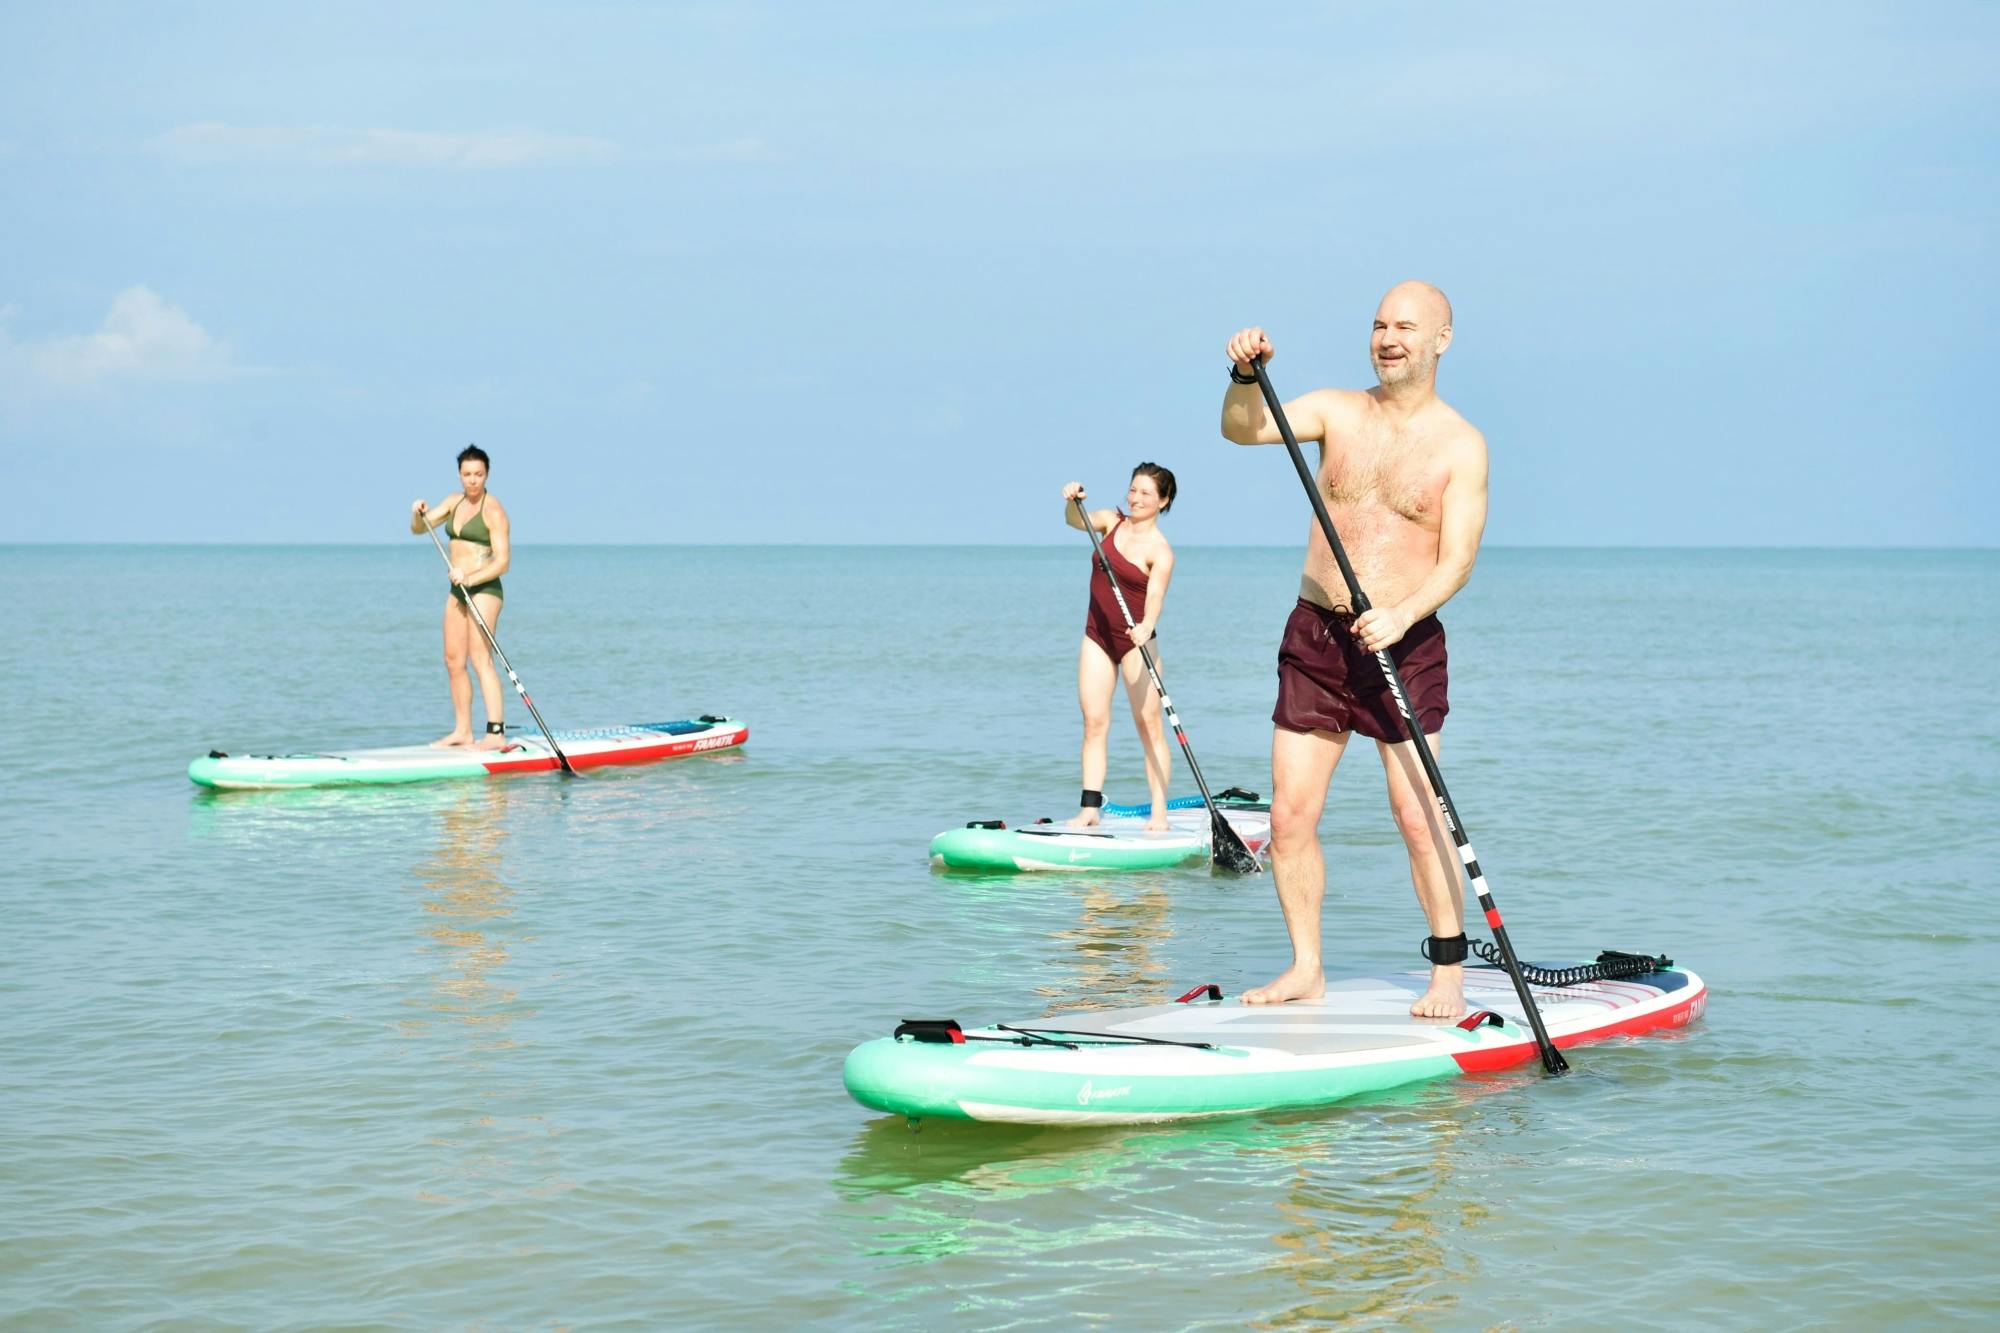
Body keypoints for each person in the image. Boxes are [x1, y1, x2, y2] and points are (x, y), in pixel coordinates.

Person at [1220, 282, 1489, 1018]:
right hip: (1316, 635)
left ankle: (1447, 971)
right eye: (1378, 324)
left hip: (1402, 641)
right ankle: (1307, 965)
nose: (1388, 336)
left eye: (1406, 325)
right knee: (1289, 816)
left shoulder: (1460, 444)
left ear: (1442, 338)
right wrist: (1245, 376)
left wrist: (1402, 614)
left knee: (1416, 813)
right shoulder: (1338, 410)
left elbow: (1458, 559)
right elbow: (1243, 431)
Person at [1061, 465, 1178, 832]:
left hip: (1137, 642)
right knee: (1094, 723)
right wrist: (1072, 500)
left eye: (1145, 493)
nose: (1136, 498)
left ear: (1163, 501)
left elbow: (1156, 595)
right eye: (1133, 490)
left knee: (1149, 726)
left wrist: (1145, 625)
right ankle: (1090, 808)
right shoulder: (1109, 521)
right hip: (1097, 635)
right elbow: (1074, 521)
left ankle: (1159, 812)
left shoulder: (1161, 551)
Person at [410, 445, 512, 750]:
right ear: (459, 475)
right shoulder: (453, 503)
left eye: (478, 474)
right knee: (453, 660)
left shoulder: (493, 510)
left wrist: (470, 578)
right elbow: (419, 529)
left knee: (480, 658)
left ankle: (495, 734)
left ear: (487, 475)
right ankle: (463, 731)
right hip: (458, 590)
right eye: (467, 474)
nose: (472, 480)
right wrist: (418, 513)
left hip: (484, 588)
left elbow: (503, 562)